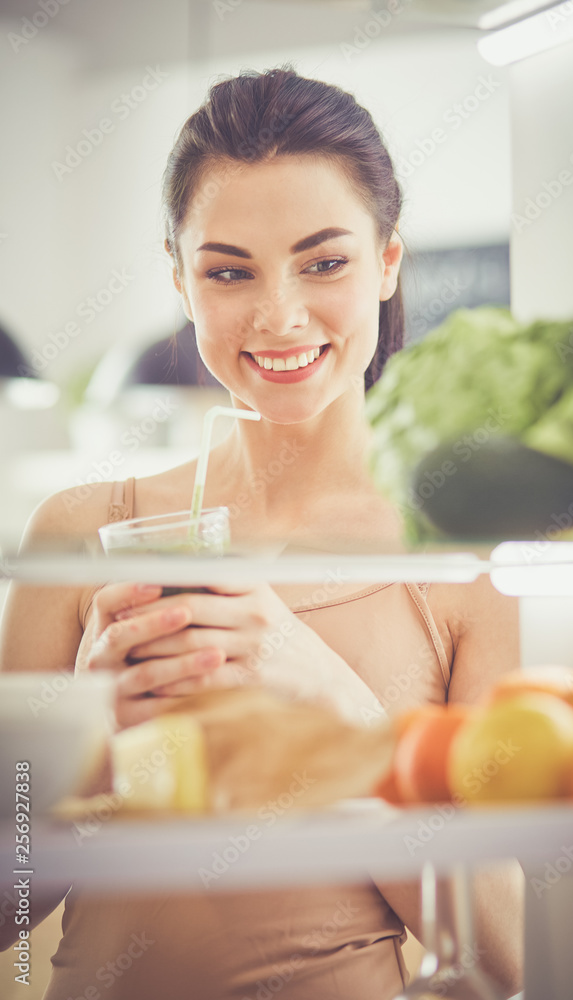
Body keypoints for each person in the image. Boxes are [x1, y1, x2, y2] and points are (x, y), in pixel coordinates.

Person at [0, 67, 523, 999]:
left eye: (325, 262)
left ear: (389, 262)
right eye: (230, 270)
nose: (278, 315)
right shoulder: (82, 537)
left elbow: (512, 948)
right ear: (180, 280)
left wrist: (335, 707)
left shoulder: (464, 568)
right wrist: (75, 747)